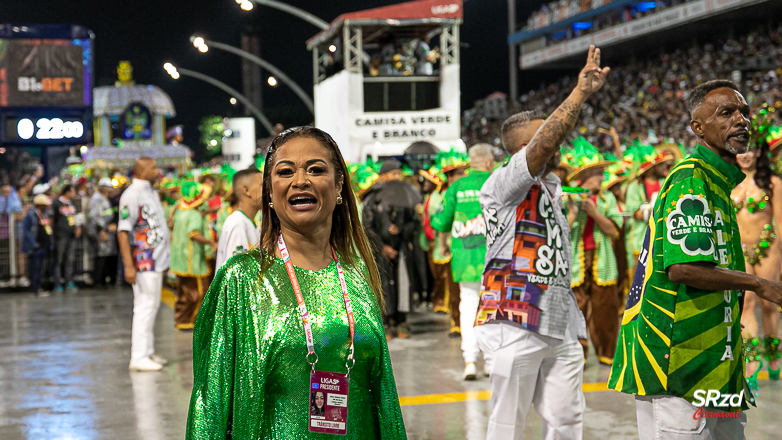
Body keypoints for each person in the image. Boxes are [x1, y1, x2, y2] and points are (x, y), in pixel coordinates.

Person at [187, 126, 406, 439]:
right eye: (285, 171)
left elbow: (383, 396)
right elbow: (209, 404)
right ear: (270, 190)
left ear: (339, 184)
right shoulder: (242, 280)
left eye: (316, 169)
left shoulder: (357, 277)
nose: (300, 180)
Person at [609, 80, 782, 440]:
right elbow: (684, 267)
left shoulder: (718, 180)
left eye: (744, 112)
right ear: (698, 128)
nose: (741, 120)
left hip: (717, 362)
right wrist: (758, 283)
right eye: (727, 113)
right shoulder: (690, 178)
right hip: (679, 364)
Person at [476, 45, 608, 440]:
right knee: (507, 425)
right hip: (514, 320)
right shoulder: (503, 184)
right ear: (521, 151)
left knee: (568, 421)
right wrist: (580, 94)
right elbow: (545, 144)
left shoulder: (553, 186)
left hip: (559, 321)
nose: (556, 139)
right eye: (542, 136)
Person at [431, 143, 494, 380]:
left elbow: (440, 222)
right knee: (491, 307)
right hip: (494, 258)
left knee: (468, 306)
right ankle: (491, 361)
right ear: (488, 163)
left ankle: (470, 361)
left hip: (465, 258)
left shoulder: (457, 186)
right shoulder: (496, 181)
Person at [731, 114, 782, 389]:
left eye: (752, 148)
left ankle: (774, 355)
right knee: (746, 305)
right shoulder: (729, 182)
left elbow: (781, 223)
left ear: (760, 151)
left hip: (768, 248)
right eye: (742, 148)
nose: (746, 155)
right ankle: (752, 360)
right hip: (739, 251)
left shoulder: (773, 183)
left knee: (769, 305)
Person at [563, 139, 622, 365]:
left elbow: (614, 232)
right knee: (575, 311)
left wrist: (595, 213)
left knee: (605, 310)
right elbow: (561, 231)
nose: (602, 176)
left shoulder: (607, 199)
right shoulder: (569, 199)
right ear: (584, 177)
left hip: (603, 262)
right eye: (598, 173)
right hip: (576, 264)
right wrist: (572, 213)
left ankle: (607, 353)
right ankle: (579, 356)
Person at [118, 157, 171, 372]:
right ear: (141, 170)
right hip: (143, 261)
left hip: (155, 260)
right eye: (153, 168)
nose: (157, 170)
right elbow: (123, 231)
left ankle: (147, 351)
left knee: (152, 306)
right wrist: (128, 265)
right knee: (144, 307)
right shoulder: (131, 195)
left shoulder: (150, 191)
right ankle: (138, 356)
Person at [363, 159, 422, 340]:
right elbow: (366, 227)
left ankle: (402, 321)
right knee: (383, 285)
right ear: (382, 177)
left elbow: (414, 222)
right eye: (392, 174)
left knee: (403, 284)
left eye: (398, 174)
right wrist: (382, 247)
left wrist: (401, 230)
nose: (396, 177)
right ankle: (386, 323)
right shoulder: (373, 199)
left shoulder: (406, 198)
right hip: (380, 252)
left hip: (402, 249)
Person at [170, 182, 216, 331]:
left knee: (183, 293)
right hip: (192, 261)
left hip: (179, 261)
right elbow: (194, 233)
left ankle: (181, 319)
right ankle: (191, 320)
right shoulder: (194, 215)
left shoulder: (181, 212)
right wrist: (211, 242)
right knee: (198, 293)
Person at [216, 168, 263, 268]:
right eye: (263, 186)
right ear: (246, 190)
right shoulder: (238, 223)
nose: (268, 191)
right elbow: (237, 272)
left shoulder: (247, 221)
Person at [88, 178, 118, 286]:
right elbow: (96, 216)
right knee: (100, 256)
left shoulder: (106, 199)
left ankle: (105, 279)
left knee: (107, 255)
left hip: (107, 230)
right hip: (100, 231)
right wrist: (101, 230)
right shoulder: (97, 199)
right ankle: (98, 280)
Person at [22, 194, 53, 296]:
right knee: (34, 267)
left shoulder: (44, 214)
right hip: (35, 246)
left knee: (40, 267)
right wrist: (33, 244)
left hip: (43, 245)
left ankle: (38, 286)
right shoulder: (31, 215)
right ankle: (34, 288)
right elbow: (26, 231)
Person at [51, 184, 80, 293]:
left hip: (71, 235)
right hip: (60, 236)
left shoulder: (71, 204)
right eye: (72, 191)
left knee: (70, 260)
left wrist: (77, 227)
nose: (74, 194)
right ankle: (58, 283)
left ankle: (69, 282)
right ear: (67, 192)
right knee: (58, 259)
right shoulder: (57, 203)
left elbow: (75, 217)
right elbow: (53, 219)